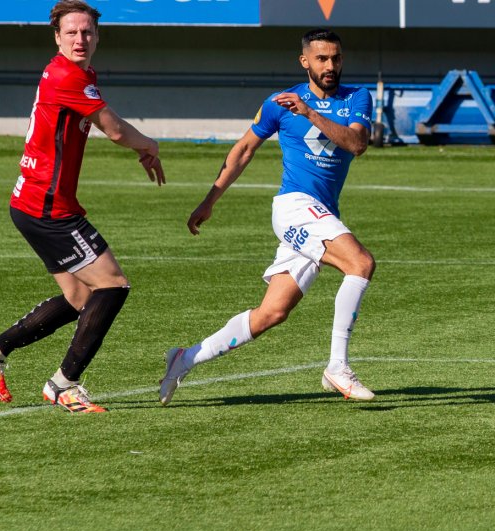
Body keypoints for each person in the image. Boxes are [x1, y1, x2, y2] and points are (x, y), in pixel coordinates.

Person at [0, 0, 165, 413]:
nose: (80, 38)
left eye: (87, 31)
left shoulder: (78, 73)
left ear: (97, 36)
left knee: (77, 297)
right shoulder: (66, 75)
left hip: (33, 202)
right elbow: (112, 129)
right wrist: (148, 145)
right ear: (56, 37)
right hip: (47, 206)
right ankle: (64, 384)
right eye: (71, 32)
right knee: (112, 285)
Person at [158, 27, 376, 405]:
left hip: (322, 212)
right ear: (304, 61)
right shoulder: (279, 103)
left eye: (336, 58)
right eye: (321, 58)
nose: (330, 65)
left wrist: (309, 112)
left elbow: (356, 144)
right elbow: (243, 150)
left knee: (272, 312)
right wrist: (209, 201)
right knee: (360, 263)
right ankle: (337, 367)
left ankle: (184, 358)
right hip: (293, 207)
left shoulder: (357, 97)